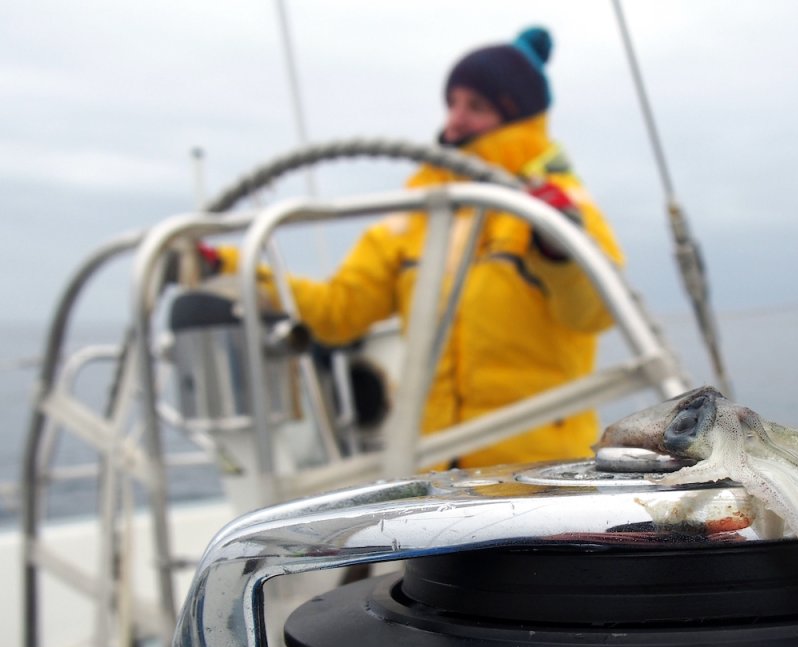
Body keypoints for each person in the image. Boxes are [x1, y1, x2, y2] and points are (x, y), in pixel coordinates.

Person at [213, 26, 624, 468]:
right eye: (453, 104)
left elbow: (594, 311)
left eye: (476, 107)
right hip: (436, 479)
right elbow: (338, 312)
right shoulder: (416, 216)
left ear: (518, 117)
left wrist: (557, 246)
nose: (455, 120)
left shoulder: (556, 205)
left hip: (539, 478)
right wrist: (228, 265)